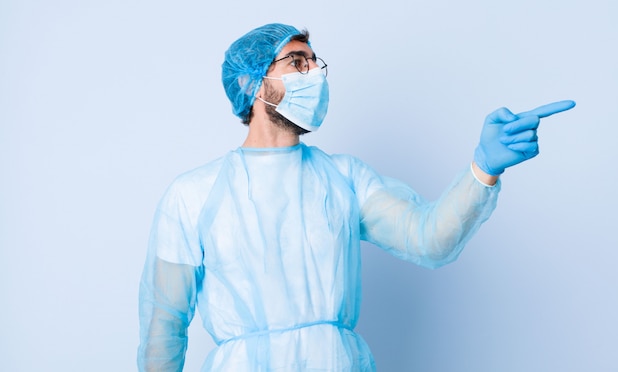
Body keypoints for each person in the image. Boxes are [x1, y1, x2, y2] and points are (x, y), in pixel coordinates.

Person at [137, 23, 575, 371]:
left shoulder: (343, 179)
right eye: (297, 62)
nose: (316, 74)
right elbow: (164, 325)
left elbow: (429, 239)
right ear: (254, 82)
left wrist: (484, 168)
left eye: (316, 62)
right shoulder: (193, 195)